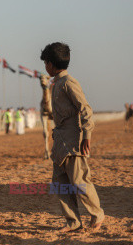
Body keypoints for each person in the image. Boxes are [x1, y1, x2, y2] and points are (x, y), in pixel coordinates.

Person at [40, 42, 104, 232]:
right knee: (60, 183)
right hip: (60, 140)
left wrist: (87, 135)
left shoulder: (69, 83)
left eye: (46, 63)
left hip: (73, 140)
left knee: (79, 181)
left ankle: (97, 213)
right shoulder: (56, 83)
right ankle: (73, 221)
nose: (45, 67)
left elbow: (85, 109)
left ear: (51, 64)